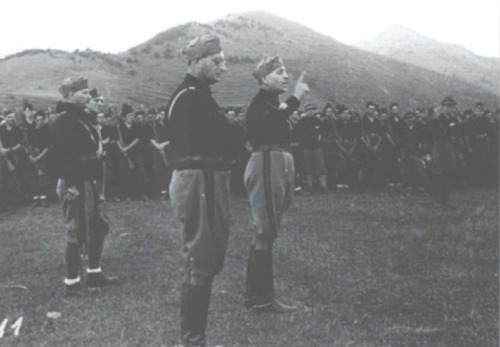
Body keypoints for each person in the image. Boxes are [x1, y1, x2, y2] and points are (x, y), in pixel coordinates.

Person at [166, 34, 241, 347]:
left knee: (205, 256)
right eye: (216, 61)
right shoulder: (191, 96)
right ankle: (193, 340)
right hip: (200, 180)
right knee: (201, 257)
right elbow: (226, 136)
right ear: (196, 62)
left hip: (205, 178)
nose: (223, 67)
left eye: (223, 61)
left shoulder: (197, 94)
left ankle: (194, 338)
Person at [243, 56, 309, 313]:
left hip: (276, 160)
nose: (286, 76)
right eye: (279, 72)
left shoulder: (270, 103)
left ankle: (254, 295)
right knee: (265, 231)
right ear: (263, 79)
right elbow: (271, 124)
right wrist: (295, 99)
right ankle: (263, 299)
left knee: (265, 230)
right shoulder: (259, 104)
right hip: (268, 161)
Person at [52, 77, 119, 296]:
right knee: (76, 231)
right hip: (77, 183)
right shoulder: (64, 120)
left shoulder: (82, 118)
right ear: (70, 95)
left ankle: (94, 273)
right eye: (84, 93)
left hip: (90, 179)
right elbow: (60, 156)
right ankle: (72, 283)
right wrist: (70, 184)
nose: (89, 96)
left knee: (98, 226)